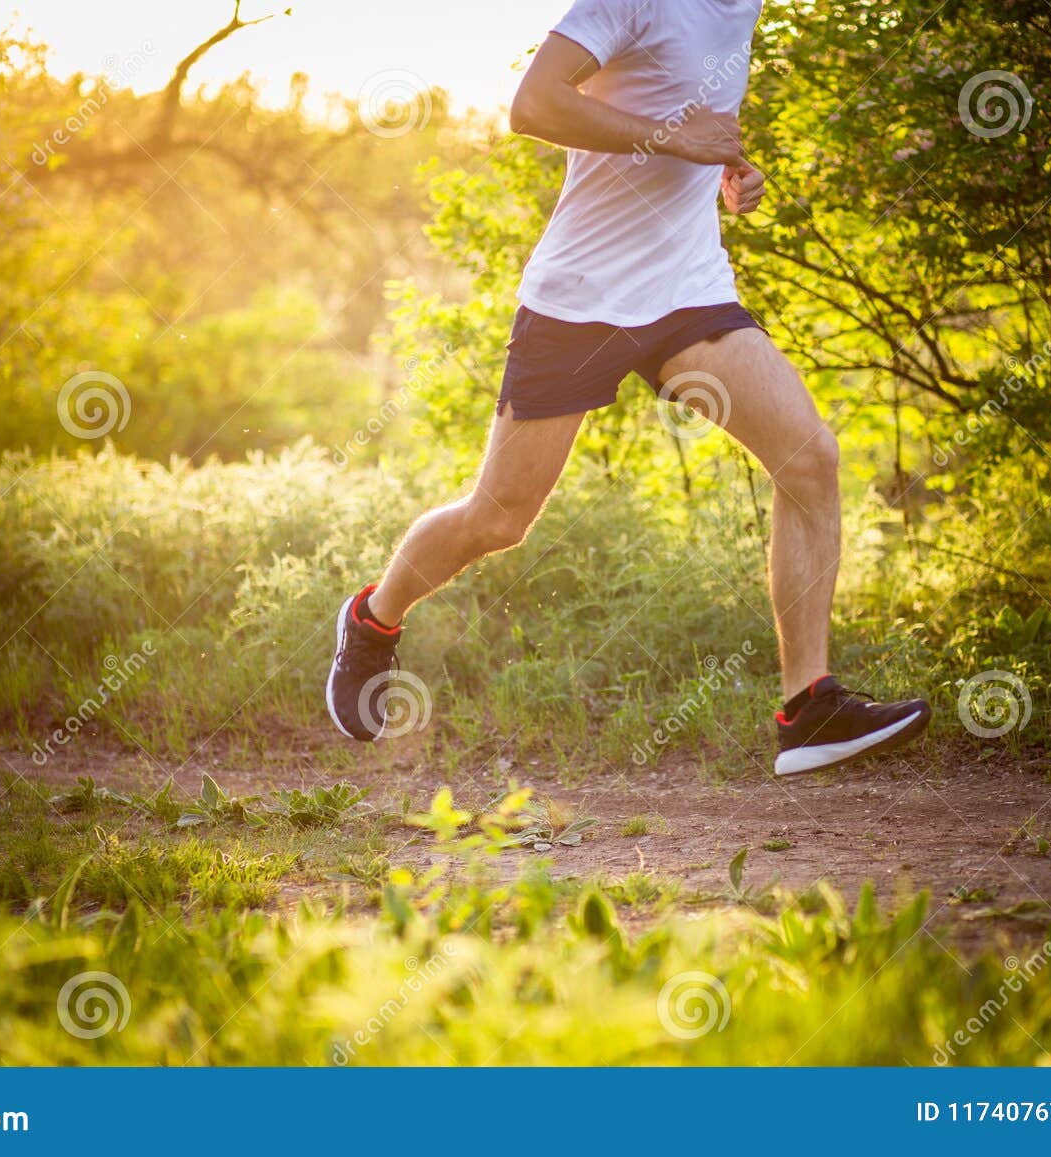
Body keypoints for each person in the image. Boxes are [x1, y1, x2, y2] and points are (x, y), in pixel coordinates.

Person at [327, 0, 930, 774]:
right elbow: (533, 104)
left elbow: (680, 125)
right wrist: (680, 139)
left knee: (809, 458)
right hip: (581, 299)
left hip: (687, 289)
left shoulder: (741, 9)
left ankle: (808, 707)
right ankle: (373, 620)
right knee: (500, 517)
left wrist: (729, 174)